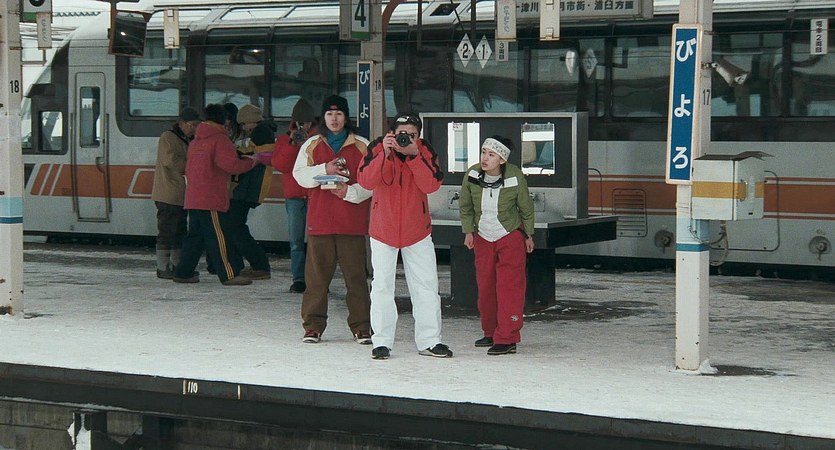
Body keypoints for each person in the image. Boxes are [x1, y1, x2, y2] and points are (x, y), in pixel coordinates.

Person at [357, 113, 452, 360]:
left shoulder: (424, 150)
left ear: (418, 135)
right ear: (391, 133)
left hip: (417, 230)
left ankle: (430, 340)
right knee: (381, 287)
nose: (406, 138)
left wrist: (414, 156)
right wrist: (384, 154)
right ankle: (381, 341)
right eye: (402, 134)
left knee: (426, 286)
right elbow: (365, 181)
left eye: (412, 134)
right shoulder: (377, 147)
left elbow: (432, 185)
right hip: (383, 229)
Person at [292, 94, 372, 345]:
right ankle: (313, 326)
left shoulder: (362, 145)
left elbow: (372, 182)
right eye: (329, 114)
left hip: (351, 223)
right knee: (316, 279)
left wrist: (349, 192)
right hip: (320, 221)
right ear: (323, 117)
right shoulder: (312, 144)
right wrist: (324, 169)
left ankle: (362, 326)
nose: (334, 119)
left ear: (346, 117)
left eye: (338, 114)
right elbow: (299, 175)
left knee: (356, 278)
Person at [458, 136, 535, 355]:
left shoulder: (514, 176)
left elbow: (526, 207)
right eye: (484, 152)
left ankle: (507, 337)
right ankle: (491, 332)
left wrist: (528, 234)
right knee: (486, 287)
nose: (485, 158)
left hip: (509, 235)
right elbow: (465, 205)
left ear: (502, 159)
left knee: (509, 287)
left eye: (491, 155)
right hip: (483, 236)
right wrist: (468, 231)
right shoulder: (472, 174)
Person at [172, 104, 260, 286]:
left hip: (193, 197)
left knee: (195, 238)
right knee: (219, 237)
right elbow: (231, 166)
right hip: (211, 197)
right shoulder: (220, 140)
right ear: (224, 120)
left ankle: (183, 272)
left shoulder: (195, 141)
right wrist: (251, 162)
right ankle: (229, 274)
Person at [271, 98, 317, 293]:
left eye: (306, 122)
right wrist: (293, 144)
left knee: (317, 242)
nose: (303, 126)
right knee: (296, 241)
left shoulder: (319, 139)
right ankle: (299, 279)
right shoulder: (285, 140)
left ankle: (316, 279)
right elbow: (280, 165)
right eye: (300, 122)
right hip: (295, 196)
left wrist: (307, 143)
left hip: (314, 195)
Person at [225, 104, 275, 280]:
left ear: (252, 121)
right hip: (247, 186)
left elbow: (263, 156)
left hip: (249, 187)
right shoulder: (263, 131)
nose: (244, 127)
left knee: (235, 226)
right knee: (236, 226)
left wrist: (237, 152)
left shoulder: (262, 132)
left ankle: (259, 265)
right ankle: (253, 264)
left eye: (245, 124)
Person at [151, 106, 201, 279]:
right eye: (192, 125)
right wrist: (193, 165)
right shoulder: (168, 137)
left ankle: (178, 265)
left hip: (181, 195)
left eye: (197, 125)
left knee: (180, 231)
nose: (194, 128)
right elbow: (170, 160)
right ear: (181, 123)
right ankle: (163, 266)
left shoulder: (188, 139)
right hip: (168, 193)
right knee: (167, 231)